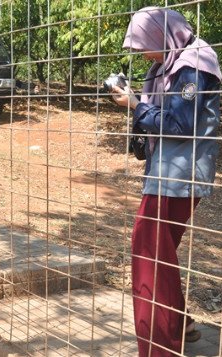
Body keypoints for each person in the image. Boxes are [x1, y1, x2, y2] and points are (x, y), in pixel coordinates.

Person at [111, 6, 221, 357]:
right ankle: (180, 323)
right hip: (165, 172)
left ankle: (160, 349)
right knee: (159, 251)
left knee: (147, 252)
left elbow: (180, 126)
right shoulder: (167, 65)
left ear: (161, 34)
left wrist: (135, 106)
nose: (142, 54)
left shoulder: (194, 63)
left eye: (144, 45)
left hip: (180, 175)